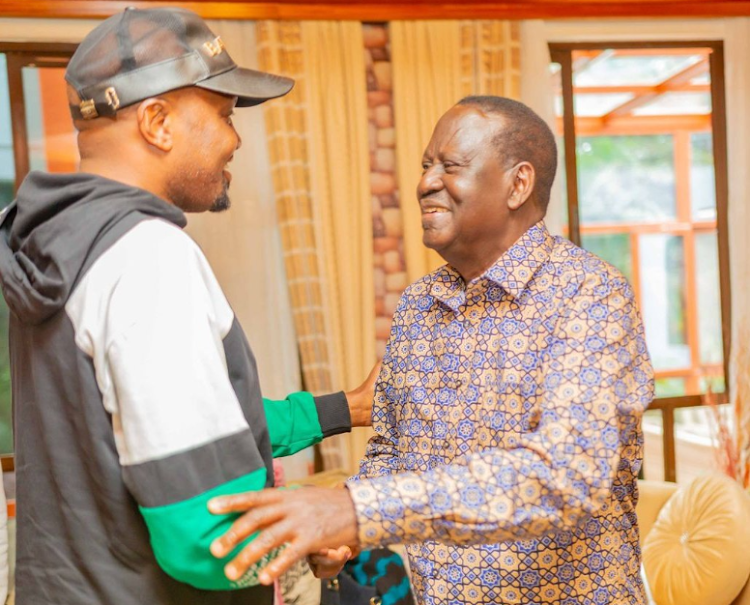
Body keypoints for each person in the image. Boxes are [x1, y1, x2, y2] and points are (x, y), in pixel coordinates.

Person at [209, 96, 655, 605]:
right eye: (425, 165)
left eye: (451, 166)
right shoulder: (420, 304)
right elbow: (397, 449)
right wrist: (345, 526)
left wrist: (356, 510)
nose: (425, 182)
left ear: (518, 183)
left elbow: (566, 472)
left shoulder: (589, 294)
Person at [0, 8, 377, 605]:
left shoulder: (62, 246)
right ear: (157, 121)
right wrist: (314, 533)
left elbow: (183, 425)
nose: (236, 138)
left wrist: (345, 408)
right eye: (225, 115)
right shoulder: (148, 255)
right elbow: (203, 538)